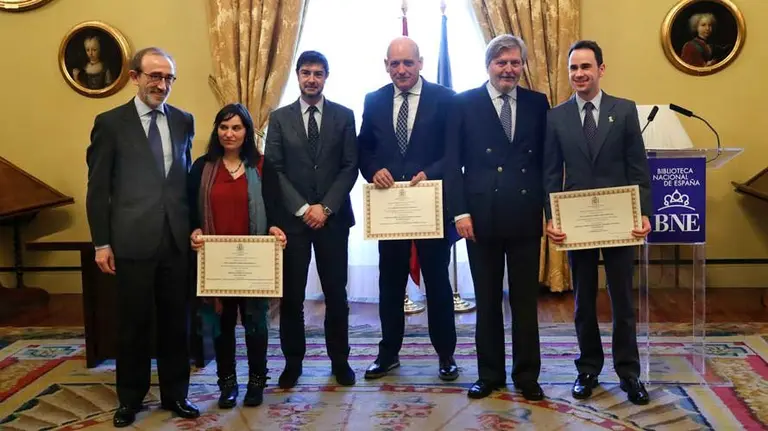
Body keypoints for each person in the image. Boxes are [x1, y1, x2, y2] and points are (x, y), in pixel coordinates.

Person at [85, 47, 199, 427]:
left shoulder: (184, 121)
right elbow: (98, 188)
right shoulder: (110, 123)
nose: (161, 84)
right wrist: (101, 242)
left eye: (168, 78)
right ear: (134, 77)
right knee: (132, 325)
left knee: (176, 324)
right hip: (131, 242)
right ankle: (129, 399)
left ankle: (176, 395)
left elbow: (183, 182)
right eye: (154, 76)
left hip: (175, 242)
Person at [543, 40, 652, 405]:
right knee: (583, 301)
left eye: (586, 67)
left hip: (620, 221)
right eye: (573, 68)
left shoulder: (623, 111)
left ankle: (629, 372)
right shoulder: (556, 116)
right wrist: (550, 218)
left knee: (623, 299)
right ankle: (587, 368)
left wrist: (644, 213)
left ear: (601, 69)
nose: (579, 74)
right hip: (577, 223)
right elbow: (549, 174)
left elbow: (638, 167)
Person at [444, 34, 549, 401]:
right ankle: (489, 374)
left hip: (524, 215)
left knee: (524, 301)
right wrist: (460, 212)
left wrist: (549, 212)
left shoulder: (538, 103)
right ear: (488, 65)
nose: (508, 69)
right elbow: (451, 163)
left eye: (515, 63)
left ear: (522, 66)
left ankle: (526, 375)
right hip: (480, 217)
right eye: (501, 63)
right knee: (487, 301)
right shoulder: (463, 104)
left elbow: (545, 164)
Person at [357, 36, 458, 381]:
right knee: (390, 284)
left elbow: (454, 152)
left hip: (430, 208)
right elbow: (364, 150)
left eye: (408, 63)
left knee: (438, 284)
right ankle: (388, 354)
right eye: (394, 63)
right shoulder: (374, 100)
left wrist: (431, 173)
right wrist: (373, 171)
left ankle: (446, 355)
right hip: (391, 212)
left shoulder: (446, 99)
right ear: (386, 65)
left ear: (420, 63)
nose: (401, 70)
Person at [264, 50, 358, 388]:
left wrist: (326, 207)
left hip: (333, 221)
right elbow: (273, 168)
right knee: (292, 296)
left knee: (336, 295)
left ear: (326, 76)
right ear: (298, 76)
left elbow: (350, 165)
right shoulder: (279, 118)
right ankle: (293, 363)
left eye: (318, 73)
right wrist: (304, 209)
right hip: (294, 222)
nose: (311, 79)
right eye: (306, 72)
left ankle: (340, 361)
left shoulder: (344, 116)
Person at [188, 103, 287, 408]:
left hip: (252, 261)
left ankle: (257, 382)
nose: (229, 134)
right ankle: (227, 384)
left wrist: (275, 229)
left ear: (247, 133)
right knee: (222, 323)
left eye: (236, 128)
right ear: (216, 131)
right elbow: (190, 210)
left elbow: (275, 207)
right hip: (217, 262)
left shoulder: (261, 166)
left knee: (256, 324)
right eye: (223, 127)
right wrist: (193, 230)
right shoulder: (201, 167)